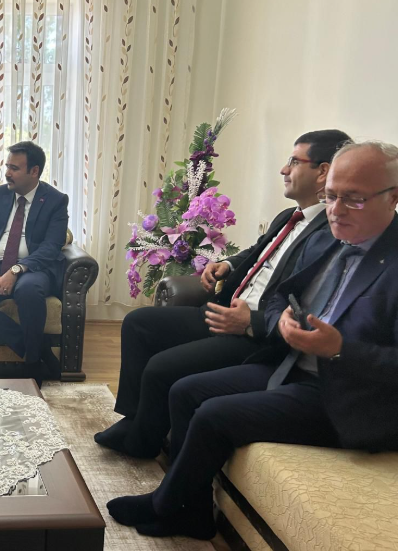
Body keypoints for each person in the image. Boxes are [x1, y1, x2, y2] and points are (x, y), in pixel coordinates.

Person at [107, 140, 398, 541]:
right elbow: (279, 295)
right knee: (185, 391)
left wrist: (340, 350)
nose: (336, 209)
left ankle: (165, 505)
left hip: (348, 397)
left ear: (393, 196)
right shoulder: (329, 238)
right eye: (331, 196)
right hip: (293, 366)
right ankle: (192, 513)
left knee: (213, 415)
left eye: (354, 199)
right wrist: (280, 322)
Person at [94, 130, 351, 458]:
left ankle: (141, 443)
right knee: (138, 323)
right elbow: (257, 251)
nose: (284, 169)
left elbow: (309, 302)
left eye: (293, 161)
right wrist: (227, 264)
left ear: (322, 171)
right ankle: (136, 420)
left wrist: (251, 322)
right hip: (226, 311)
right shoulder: (289, 217)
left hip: (254, 334)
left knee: (161, 368)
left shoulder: (332, 232)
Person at [0, 141, 68, 387]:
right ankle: (37, 349)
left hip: (32, 268)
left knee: (28, 290)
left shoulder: (55, 200)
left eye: (14, 168)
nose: (7, 173)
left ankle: (32, 366)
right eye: (7, 166)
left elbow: (51, 246)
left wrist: (17, 270)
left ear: (34, 171)